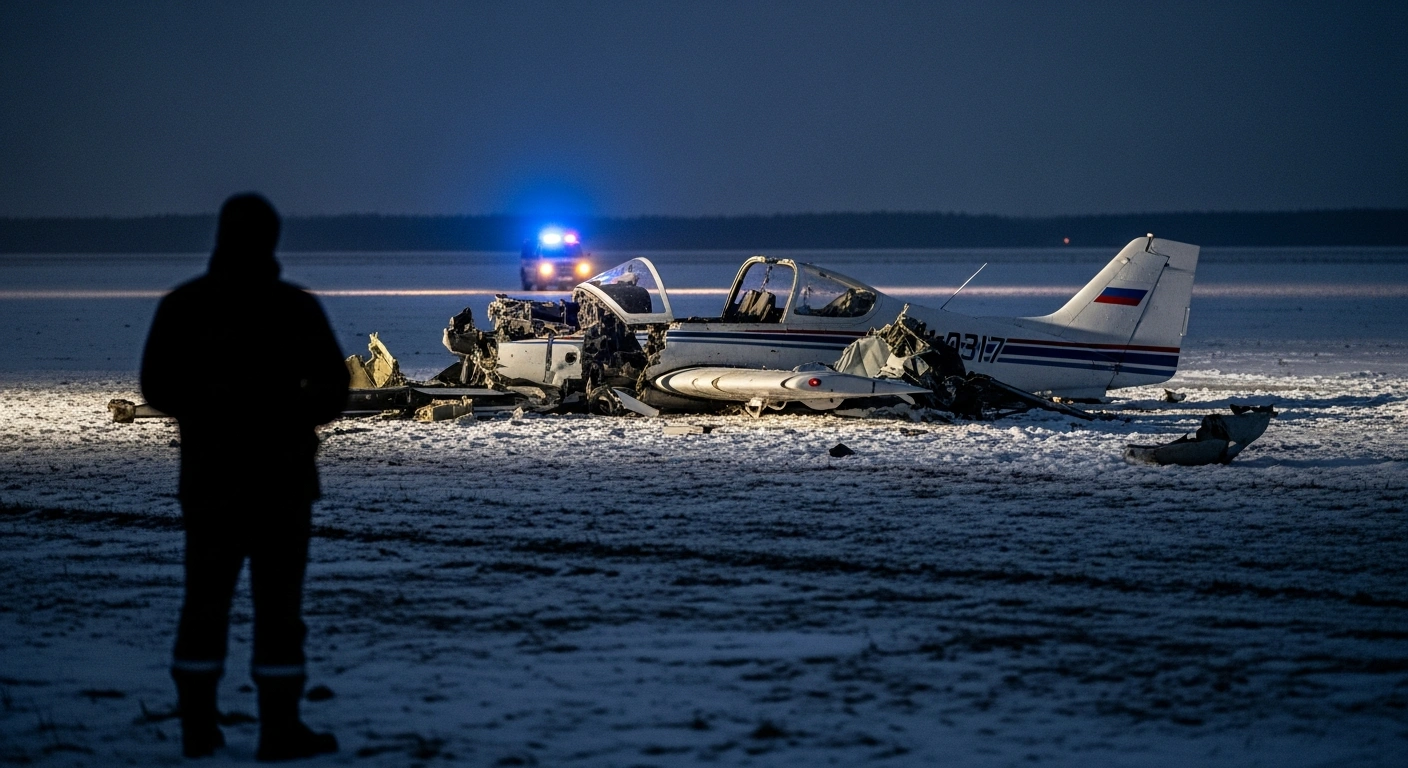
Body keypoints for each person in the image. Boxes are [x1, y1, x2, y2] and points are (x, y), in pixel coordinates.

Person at [141, 193, 350, 760]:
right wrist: (285, 414)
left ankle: (197, 726)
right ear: (272, 240)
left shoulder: (183, 306)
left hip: (209, 482)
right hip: (282, 485)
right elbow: (335, 389)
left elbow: (156, 387)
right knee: (279, 609)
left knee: (204, 602)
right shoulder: (295, 309)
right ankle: (279, 729)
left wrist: (210, 411)